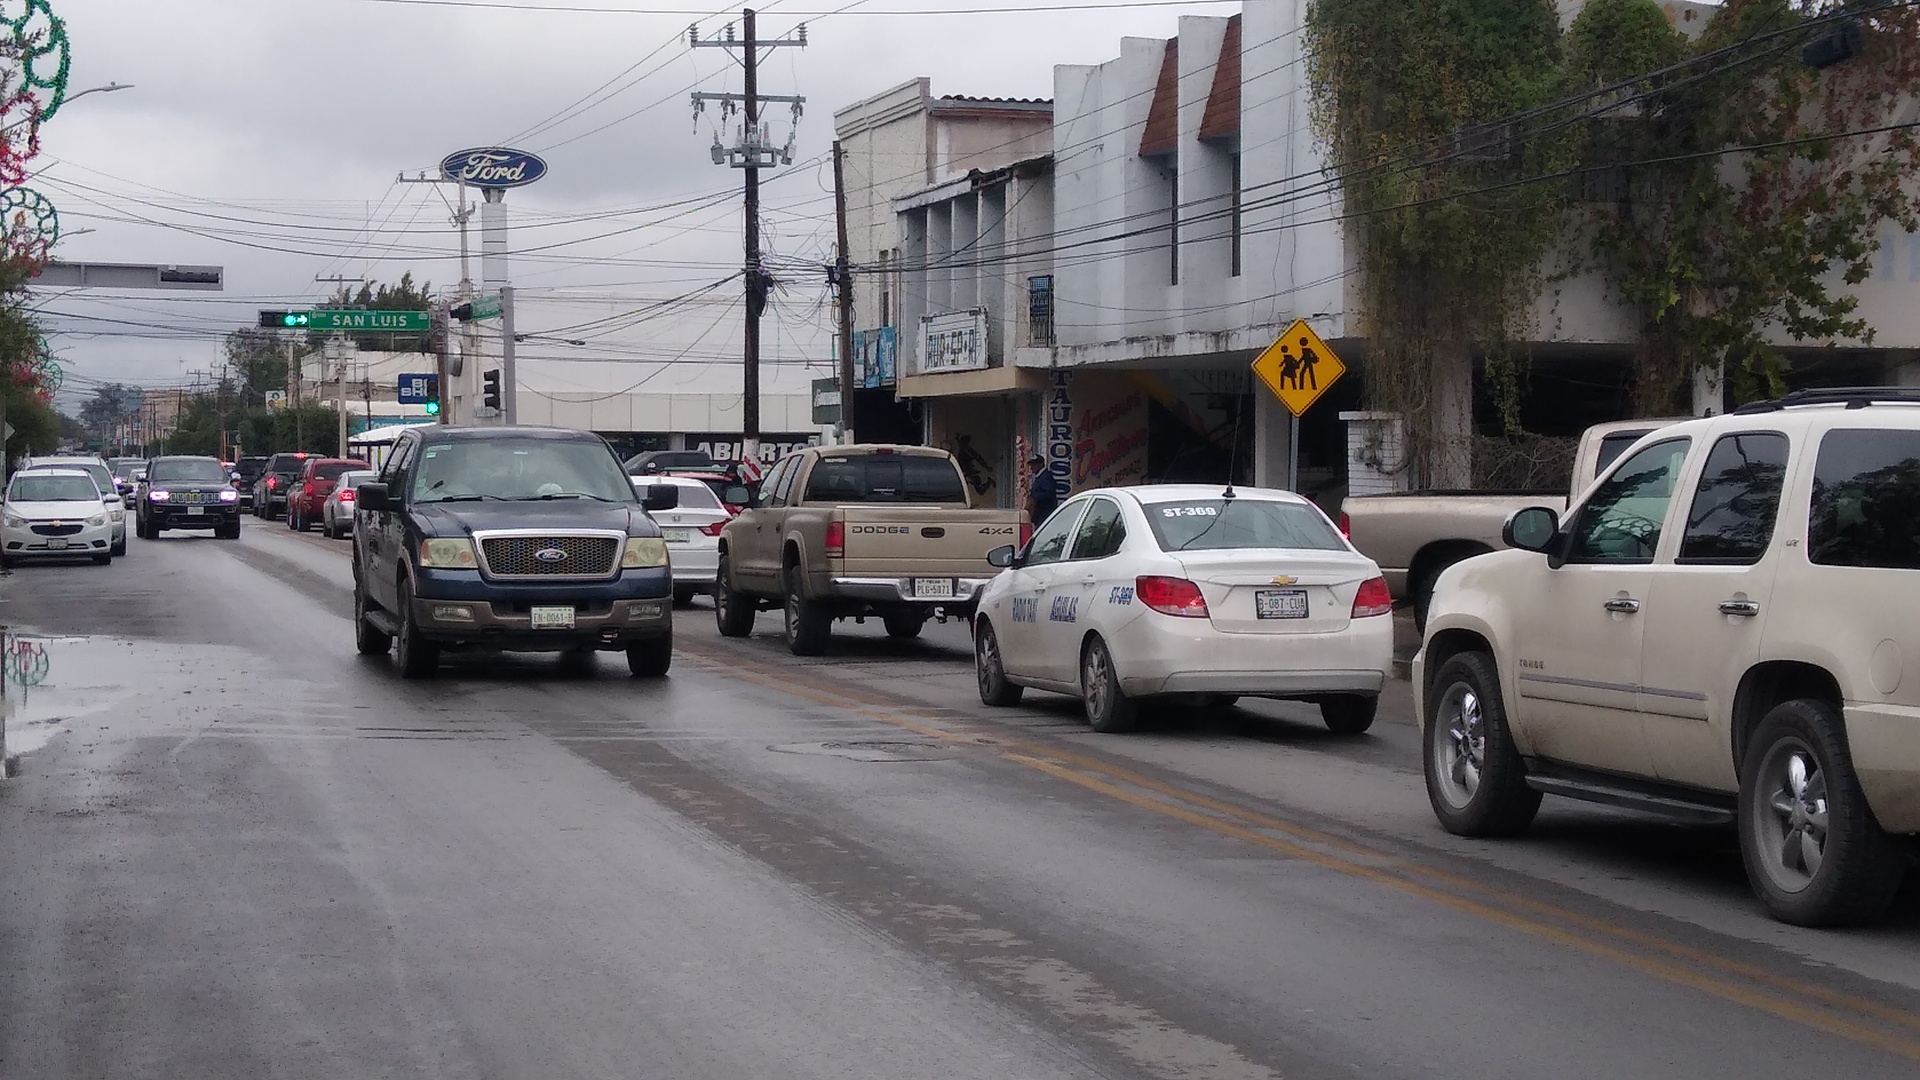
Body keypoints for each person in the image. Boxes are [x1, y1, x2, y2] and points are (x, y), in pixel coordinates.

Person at [1026, 452, 1059, 527]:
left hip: (1045, 514)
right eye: (1031, 464)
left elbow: (1050, 493)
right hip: (1039, 515)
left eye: (1034, 464)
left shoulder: (1046, 477)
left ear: (1041, 465)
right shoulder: (1039, 477)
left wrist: (1034, 497)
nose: (1031, 467)